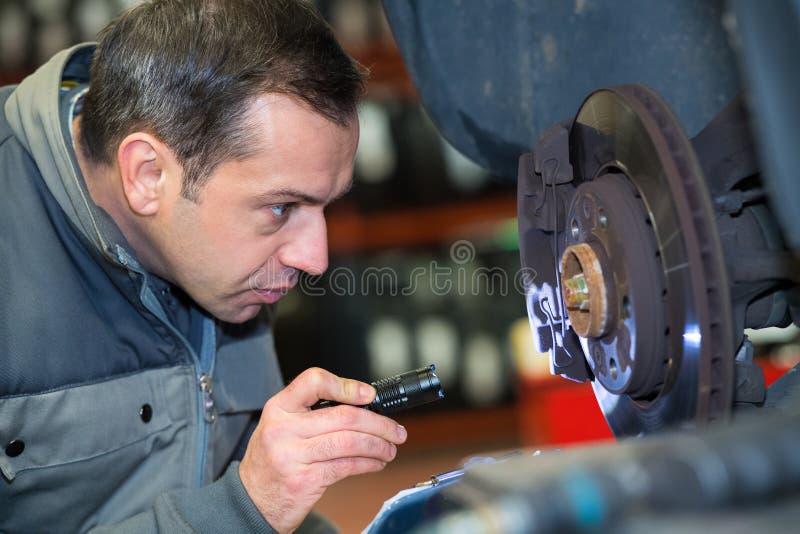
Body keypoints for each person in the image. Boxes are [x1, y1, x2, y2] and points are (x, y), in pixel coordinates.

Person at [0, 0, 408, 532]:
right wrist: (244, 508)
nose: (315, 258)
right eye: (282, 208)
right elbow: (236, 506)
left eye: (325, 205)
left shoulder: (229, 266)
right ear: (148, 174)